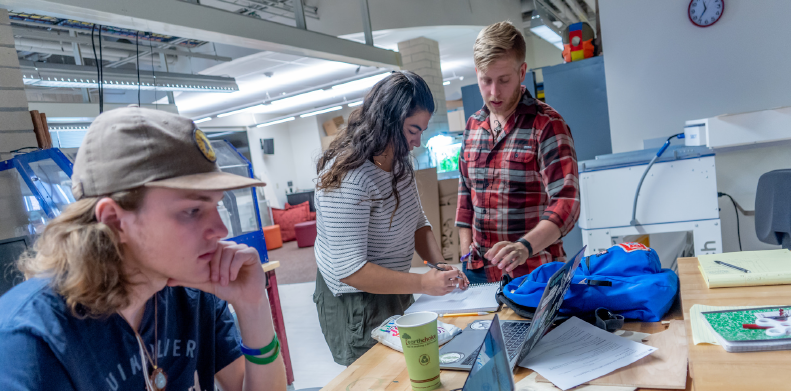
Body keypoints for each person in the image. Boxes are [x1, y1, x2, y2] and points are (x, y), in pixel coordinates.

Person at [0, 107, 287, 391]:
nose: (221, 230)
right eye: (193, 210)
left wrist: (253, 307)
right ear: (114, 221)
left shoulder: (194, 292)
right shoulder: (30, 340)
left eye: (216, 205)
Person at [313, 71, 470, 366]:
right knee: (378, 374)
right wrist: (423, 284)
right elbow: (351, 270)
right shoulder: (349, 178)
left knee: (408, 365)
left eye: (421, 131)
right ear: (387, 121)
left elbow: (417, 220)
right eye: (412, 131)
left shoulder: (396, 160)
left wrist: (439, 265)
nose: (418, 142)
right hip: (357, 300)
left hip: (392, 285)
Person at [456, 21, 581, 284]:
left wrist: (524, 247)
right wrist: (465, 250)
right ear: (477, 72)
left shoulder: (546, 124)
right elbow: (465, 193)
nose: (494, 92)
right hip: (479, 273)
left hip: (534, 273)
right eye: (485, 80)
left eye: (504, 80)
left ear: (522, 72)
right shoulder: (472, 126)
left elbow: (566, 203)